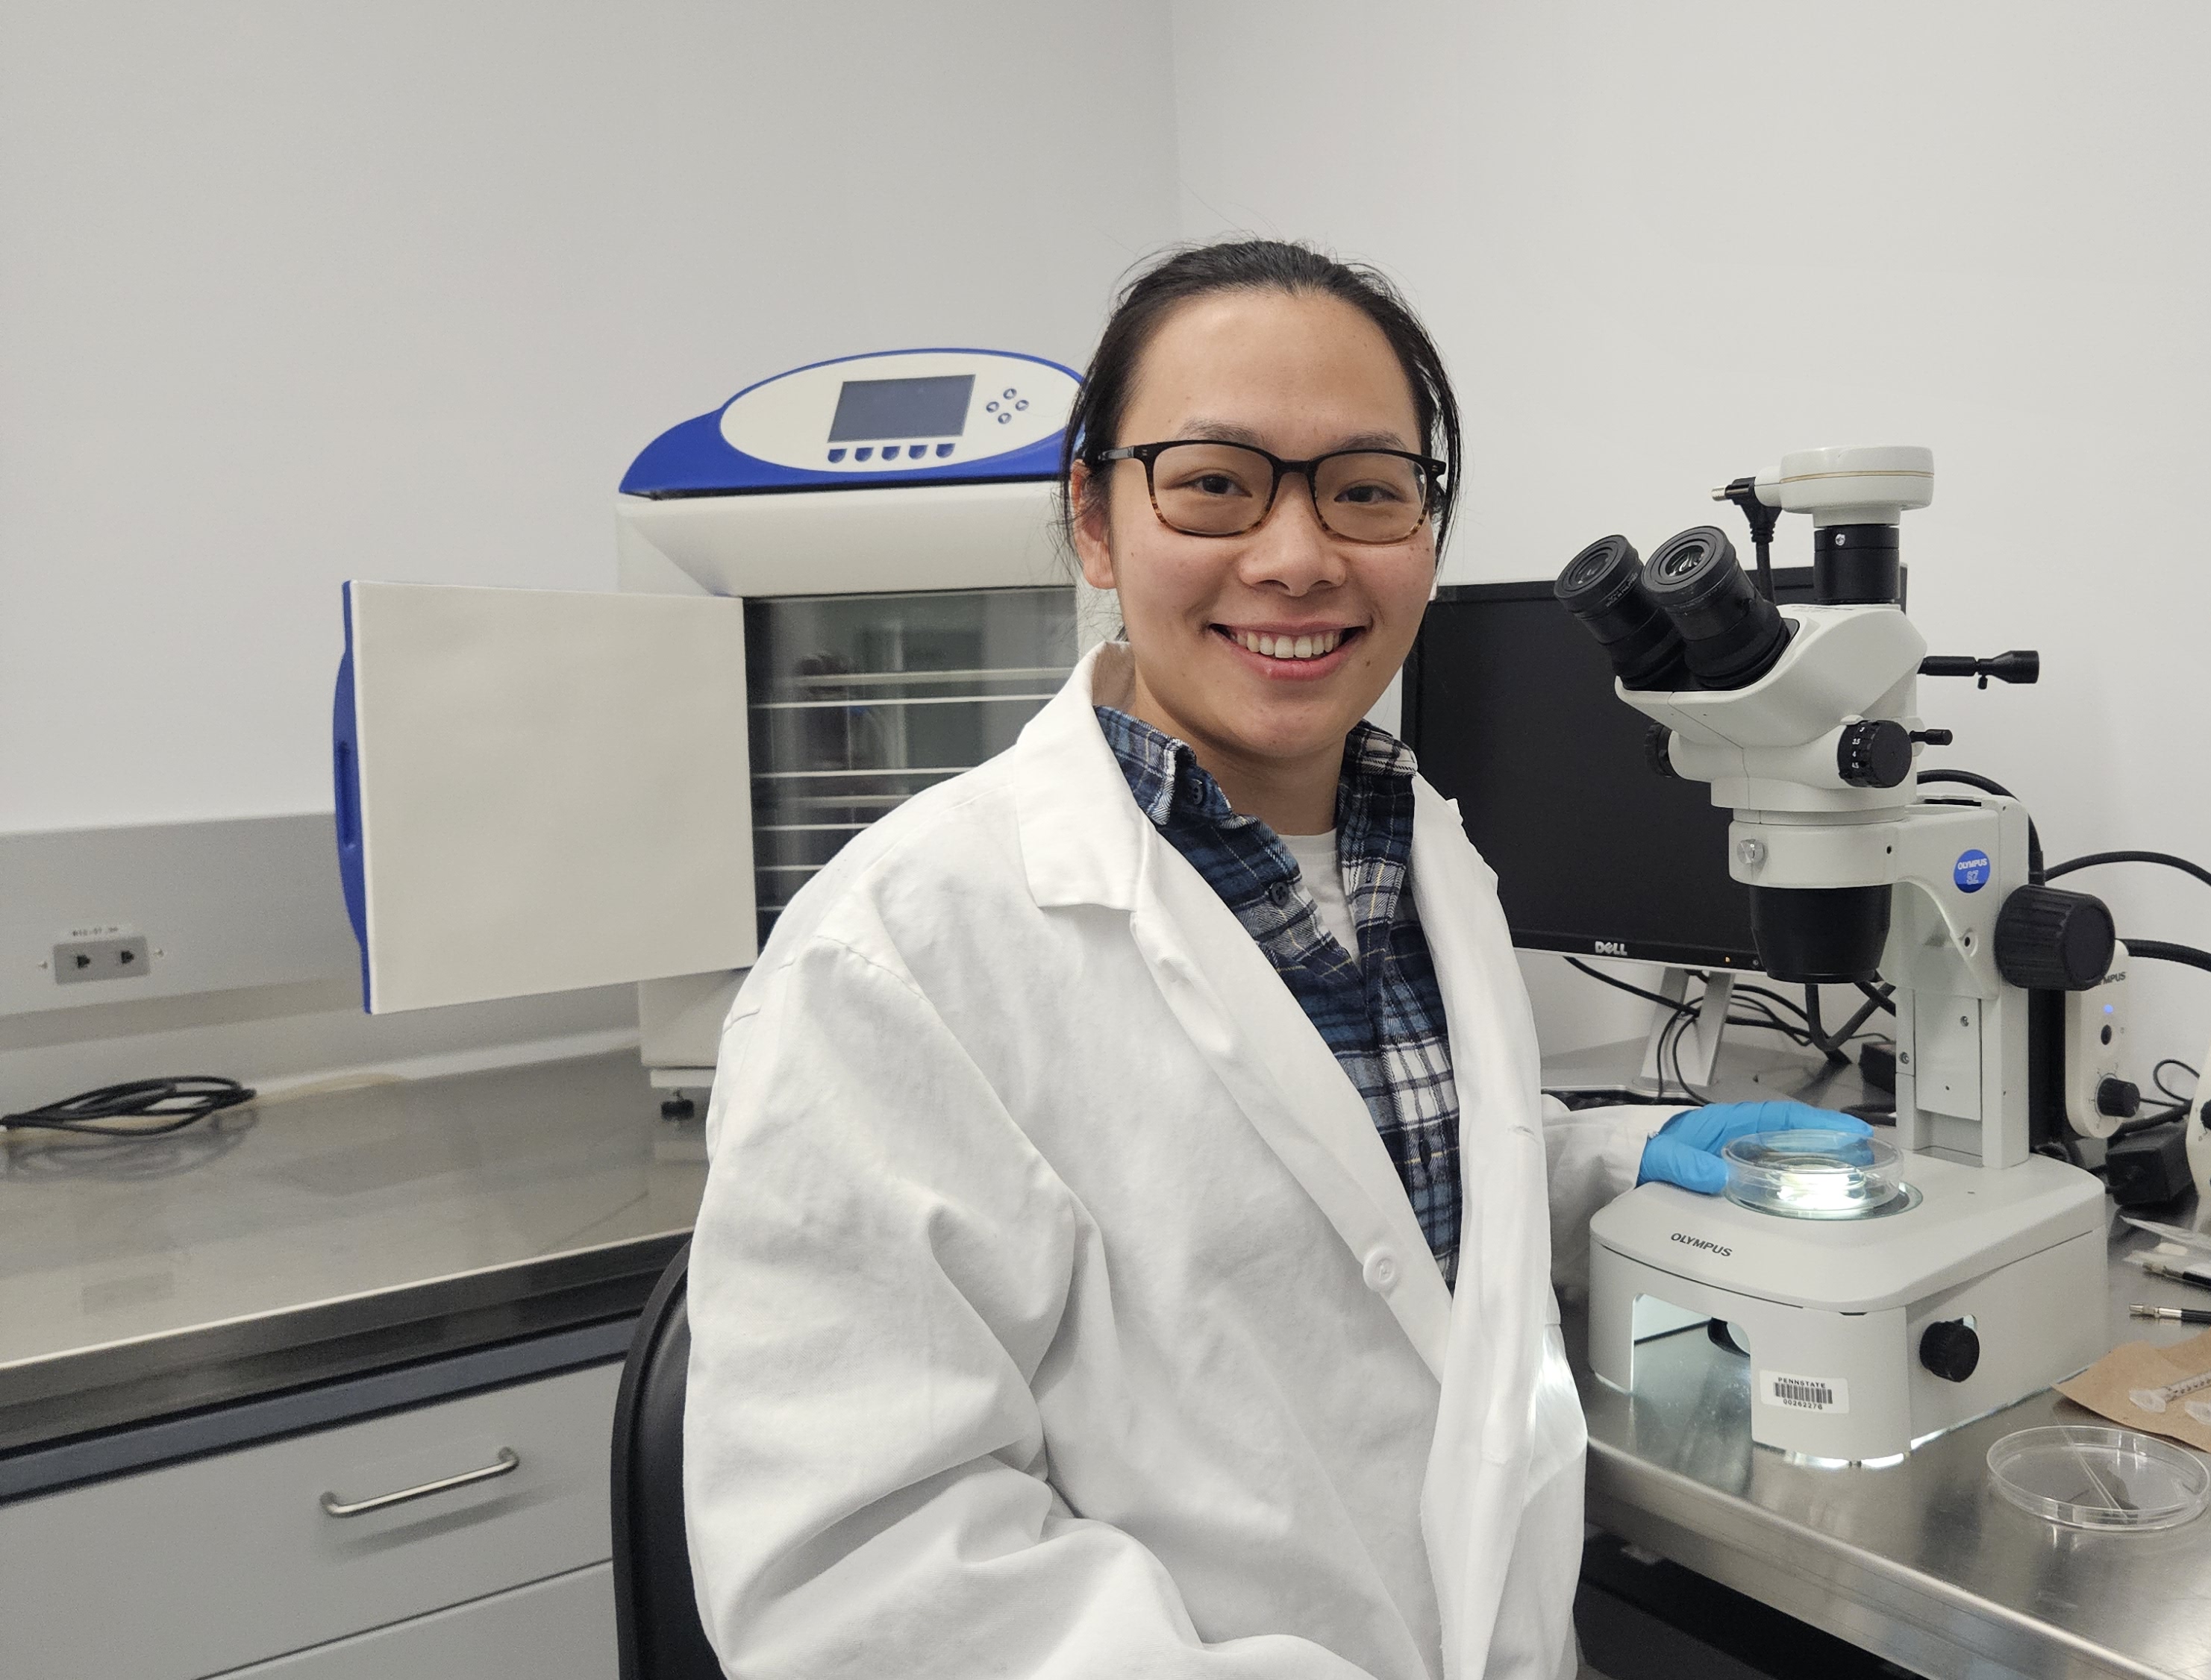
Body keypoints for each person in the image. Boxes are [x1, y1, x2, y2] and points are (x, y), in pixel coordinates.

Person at [681, 239, 1866, 1680]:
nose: (1298, 555)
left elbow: (1348, 1223)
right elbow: (863, 1589)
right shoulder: (900, 951)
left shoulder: (1418, 848)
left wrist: (1603, 1165)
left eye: (1368, 491)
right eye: (1215, 482)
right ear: (1097, 523)